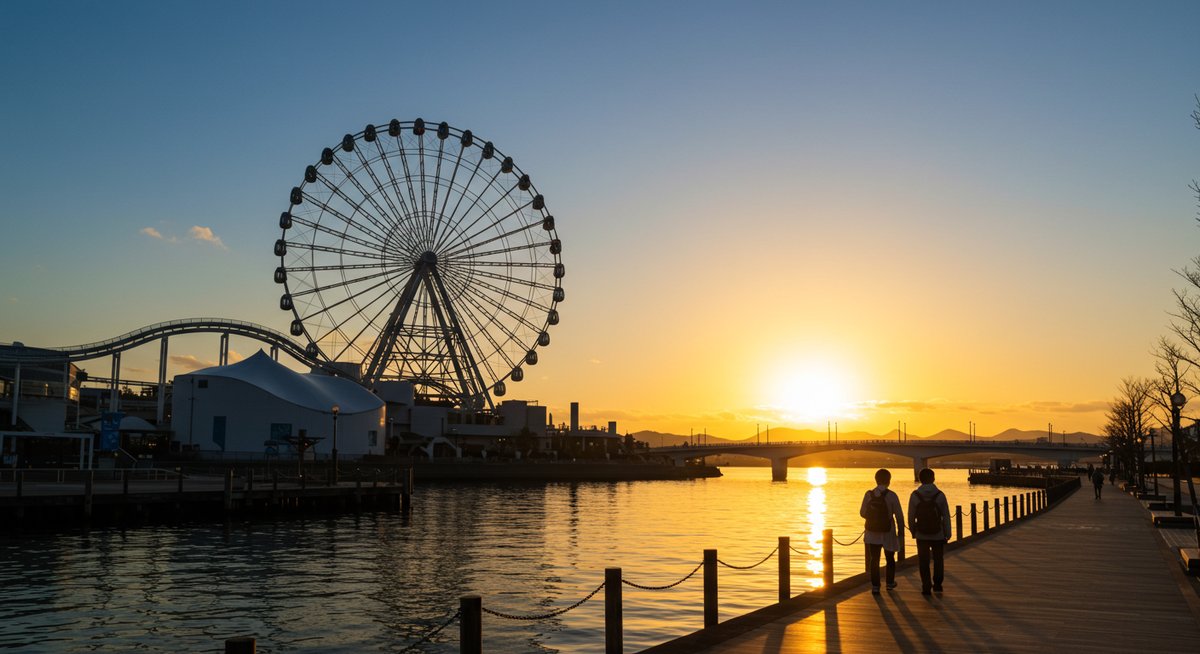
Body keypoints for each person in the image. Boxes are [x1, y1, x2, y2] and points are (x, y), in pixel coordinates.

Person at [860, 468, 905, 594]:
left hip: (872, 532)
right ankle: (890, 583)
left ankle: (875, 586)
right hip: (888, 532)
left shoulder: (868, 494)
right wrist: (901, 531)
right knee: (890, 558)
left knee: (874, 559)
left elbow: (862, 513)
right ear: (889, 481)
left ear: (876, 480)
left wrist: (873, 517)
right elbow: (899, 516)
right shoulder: (892, 495)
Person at [908, 467, 951, 596]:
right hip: (938, 533)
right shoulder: (940, 495)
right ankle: (938, 585)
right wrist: (947, 533)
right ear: (933, 478)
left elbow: (911, 516)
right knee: (938, 559)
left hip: (921, 533)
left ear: (920, 479)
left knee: (923, 561)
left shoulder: (915, 495)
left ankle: (926, 586)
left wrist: (913, 531)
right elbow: (946, 516)